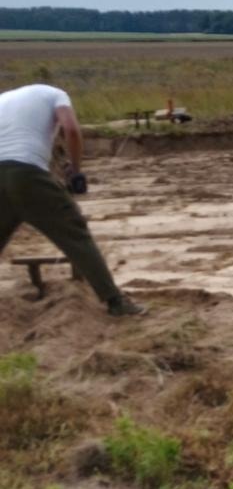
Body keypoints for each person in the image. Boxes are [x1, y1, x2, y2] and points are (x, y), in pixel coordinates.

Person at [0, 82, 144, 316]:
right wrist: (75, 169)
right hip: (26, 172)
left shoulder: (3, 100)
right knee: (75, 234)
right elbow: (72, 130)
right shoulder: (56, 94)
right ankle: (115, 301)